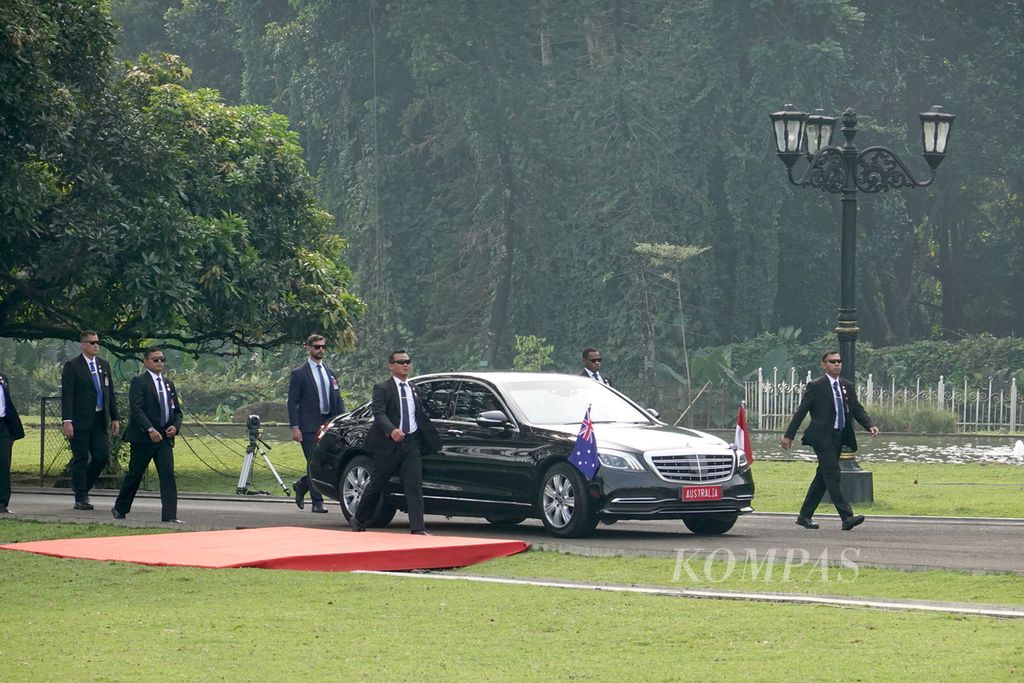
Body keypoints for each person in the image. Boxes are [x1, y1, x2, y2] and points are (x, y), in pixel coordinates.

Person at [780, 350, 878, 531]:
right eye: (832, 362)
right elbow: (801, 411)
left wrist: (869, 425)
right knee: (832, 474)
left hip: (839, 437)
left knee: (822, 478)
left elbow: (856, 408)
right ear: (823, 364)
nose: (837, 364)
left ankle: (804, 516)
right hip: (821, 438)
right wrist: (789, 435)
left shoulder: (846, 386)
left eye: (839, 361)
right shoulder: (816, 386)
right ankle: (847, 517)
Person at [350, 350, 441, 535]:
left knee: (414, 485)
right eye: (401, 362)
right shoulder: (382, 388)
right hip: (388, 445)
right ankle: (358, 518)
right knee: (377, 483)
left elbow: (419, 414)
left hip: (411, 443)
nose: (405, 365)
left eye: (408, 361)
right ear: (391, 365)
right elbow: (379, 413)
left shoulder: (413, 389)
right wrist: (391, 430)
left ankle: (417, 528)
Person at [112, 347, 184, 523]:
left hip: (164, 438)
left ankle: (169, 516)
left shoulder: (168, 384)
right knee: (135, 474)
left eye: (162, 359)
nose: (160, 362)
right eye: (155, 359)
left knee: (167, 475)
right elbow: (136, 409)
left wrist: (175, 426)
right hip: (144, 438)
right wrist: (150, 429)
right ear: (146, 362)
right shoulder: (139, 381)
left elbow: (177, 411)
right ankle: (120, 508)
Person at [61, 330, 121, 510]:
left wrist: (115, 417)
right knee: (80, 458)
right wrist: (67, 420)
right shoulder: (73, 365)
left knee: (101, 456)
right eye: (92, 342)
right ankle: (81, 498)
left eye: (97, 342)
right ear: (83, 344)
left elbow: (109, 392)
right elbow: (67, 395)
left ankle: (82, 487)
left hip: (99, 418)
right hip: (79, 419)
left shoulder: (103, 365)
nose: (96, 346)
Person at [287, 334, 345, 513]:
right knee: (313, 461)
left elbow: (337, 400)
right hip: (308, 426)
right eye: (317, 347)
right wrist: (295, 427)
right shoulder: (299, 373)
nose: (320, 350)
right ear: (308, 348)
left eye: (323, 347)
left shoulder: (330, 373)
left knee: (325, 460)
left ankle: (303, 484)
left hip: (328, 424)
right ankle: (317, 502)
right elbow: (292, 402)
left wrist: (343, 422)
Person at [0, 371, 26, 514]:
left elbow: (7, 403)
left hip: (3, 425)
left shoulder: (3, 377)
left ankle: (2, 503)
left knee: (3, 463)